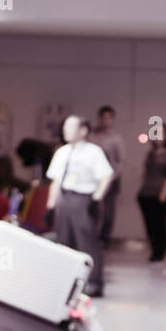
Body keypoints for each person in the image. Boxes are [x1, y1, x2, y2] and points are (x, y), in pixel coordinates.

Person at [45, 115, 114, 297]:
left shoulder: (93, 152)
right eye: (65, 127)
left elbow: (106, 175)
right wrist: (51, 204)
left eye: (71, 127)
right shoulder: (62, 152)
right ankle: (65, 282)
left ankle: (94, 283)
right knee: (63, 241)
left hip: (83, 199)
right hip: (64, 198)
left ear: (83, 130)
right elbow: (55, 181)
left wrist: (97, 197)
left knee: (87, 242)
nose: (66, 131)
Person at [136, 123, 166, 262]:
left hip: (160, 193)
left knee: (160, 225)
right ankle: (153, 251)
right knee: (150, 225)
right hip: (145, 193)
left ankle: (160, 252)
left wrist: (164, 195)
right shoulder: (151, 153)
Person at [90, 106, 125, 243]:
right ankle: (91, 237)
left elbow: (120, 162)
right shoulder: (91, 135)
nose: (106, 121)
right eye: (103, 117)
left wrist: (111, 178)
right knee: (93, 210)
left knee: (109, 212)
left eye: (109, 118)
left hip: (111, 180)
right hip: (92, 180)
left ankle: (104, 239)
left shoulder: (116, 139)